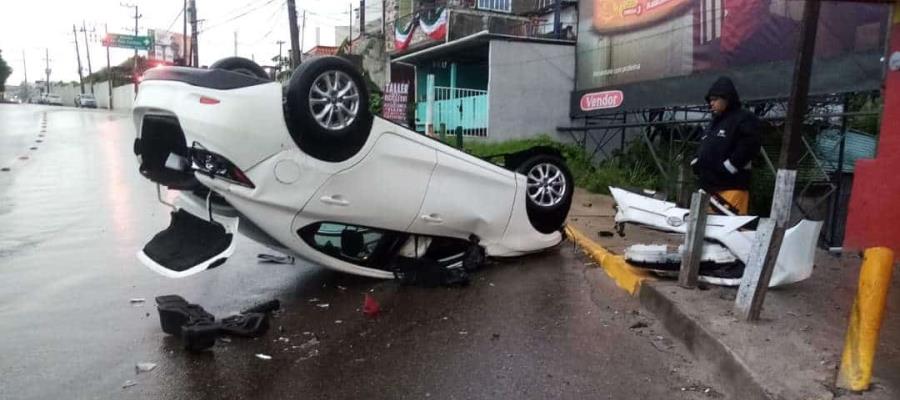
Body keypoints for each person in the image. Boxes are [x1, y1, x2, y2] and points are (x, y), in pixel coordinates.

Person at [692, 76, 762, 215]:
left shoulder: (744, 118)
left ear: (727, 98)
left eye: (715, 99)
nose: (711, 103)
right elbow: (704, 146)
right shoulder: (713, 123)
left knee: (727, 230)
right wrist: (696, 162)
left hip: (731, 188)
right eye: (710, 100)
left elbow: (750, 145)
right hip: (709, 190)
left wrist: (730, 166)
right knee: (704, 232)